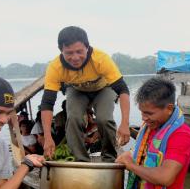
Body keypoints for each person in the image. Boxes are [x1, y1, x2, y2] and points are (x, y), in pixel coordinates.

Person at [40, 26, 131, 162]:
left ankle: (109, 158)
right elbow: (47, 103)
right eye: (69, 53)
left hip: (103, 88)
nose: (75, 57)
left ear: (87, 47)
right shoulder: (55, 67)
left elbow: (123, 90)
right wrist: (48, 137)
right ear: (61, 51)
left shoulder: (101, 59)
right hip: (77, 90)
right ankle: (81, 160)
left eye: (79, 51)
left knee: (104, 118)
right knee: (74, 118)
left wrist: (125, 123)